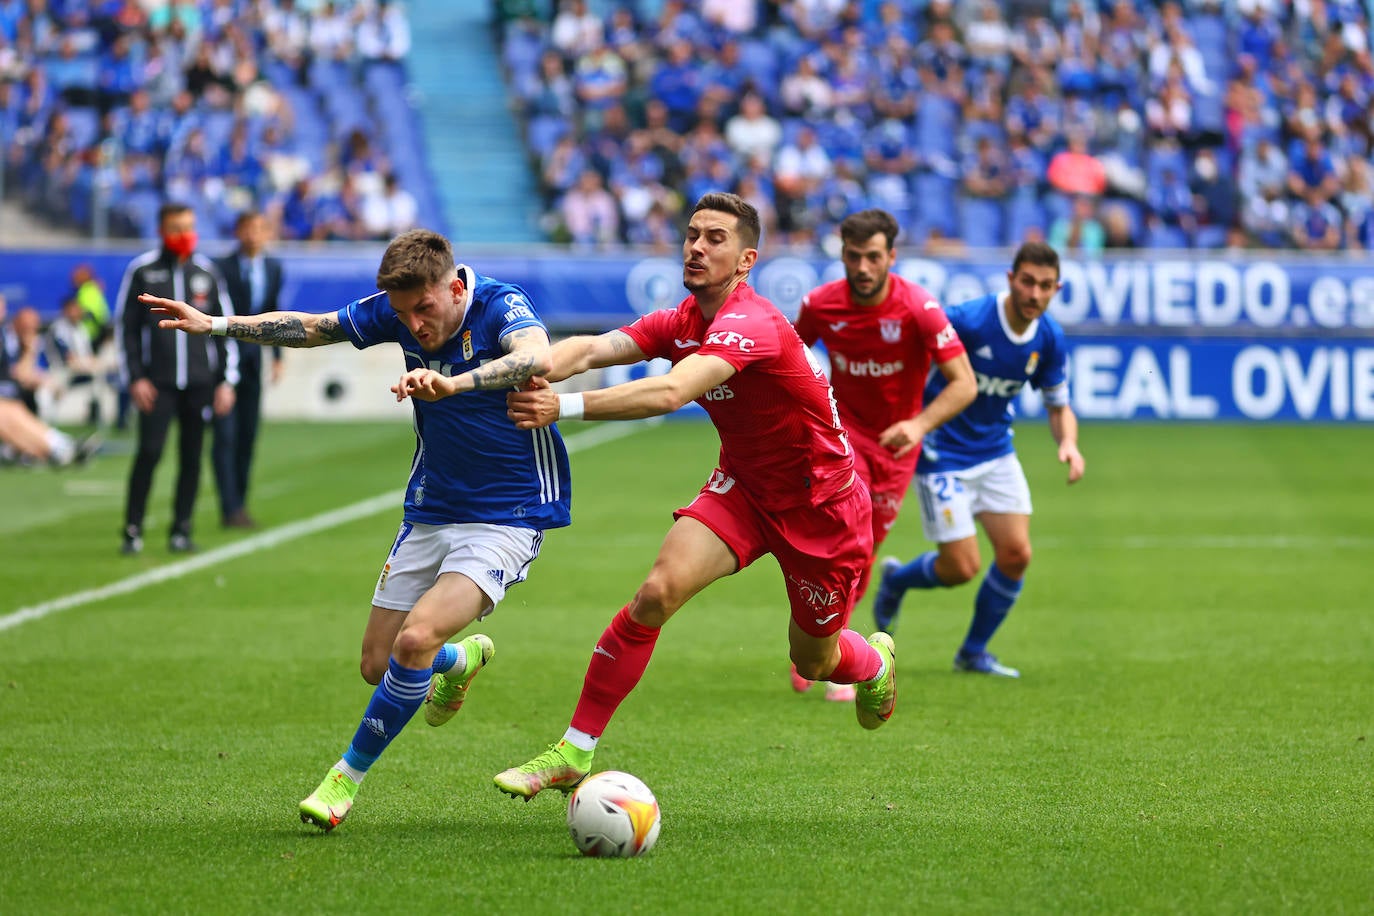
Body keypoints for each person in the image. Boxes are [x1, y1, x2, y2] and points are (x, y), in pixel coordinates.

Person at [141, 228, 572, 832]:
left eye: (425, 309)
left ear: (454, 285)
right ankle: (460, 661)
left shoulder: (500, 304)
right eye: (404, 315)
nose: (415, 325)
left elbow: (537, 357)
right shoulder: (396, 312)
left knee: (412, 641)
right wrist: (214, 325)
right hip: (432, 506)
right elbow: (313, 328)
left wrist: (454, 382)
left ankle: (344, 779)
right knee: (378, 664)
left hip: (509, 513)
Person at [492, 192, 897, 802]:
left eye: (715, 238)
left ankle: (873, 664)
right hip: (744, 490)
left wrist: (562, 405)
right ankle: (575, 750)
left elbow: (670, 393)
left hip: (822, 508)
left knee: (814, 661)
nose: (697, 247)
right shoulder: (681, 320)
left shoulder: (753, 323)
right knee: (656, 593)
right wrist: (526, 367)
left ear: (745, 259)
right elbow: (596, 347)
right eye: (691, 235)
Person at [872, 241, 1086, 678]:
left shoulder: (1048, 338)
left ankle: (973, 653)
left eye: (1045, 286)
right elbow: (910, 360)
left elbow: (1058, 404)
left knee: (1016, 555)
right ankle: (897, 580)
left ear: (1056, 289)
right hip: (940, 451)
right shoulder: (968, 320)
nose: (1034, 293)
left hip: (995, 451)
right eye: (1027, 281)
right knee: (961, 567)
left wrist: (1068, 444)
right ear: (1011, 279)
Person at [791, 208, 976, 701]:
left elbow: (964, 384)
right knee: (837, 538)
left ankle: (822, 647)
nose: (863, 267)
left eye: (874, 257)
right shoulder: (820, 304)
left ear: (892, 257)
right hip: (841, 438)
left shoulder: (919, 308)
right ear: (843, 256)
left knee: (863, 549)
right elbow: (786, 358)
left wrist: (917, 424)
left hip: (897, 446)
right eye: (854, 257)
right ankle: (824, 653)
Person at [117, 203, 238, 555]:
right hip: (158, 383)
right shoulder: (142, 270)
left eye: (188, 226)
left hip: (200, 384)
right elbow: (126, 328)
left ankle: (181, 529)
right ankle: (132, 528)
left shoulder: (208, 272)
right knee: (150, 452)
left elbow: (225, 326)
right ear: (161, 230)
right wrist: (136, 378)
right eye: (176, 228)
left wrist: (225, 381)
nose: (183, 234)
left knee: (192, 457)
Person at [212, 210, 285, 529]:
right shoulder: (221, 269)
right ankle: (229, 508)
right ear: (238, 232)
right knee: (224, 436)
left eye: (260, 228)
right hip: (224, 361)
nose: (254, 235)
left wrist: (279, 355)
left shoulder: (273, 267)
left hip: (255, 359)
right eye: (248, 228)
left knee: (248, 434)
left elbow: (275, 313)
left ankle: (239, 503)